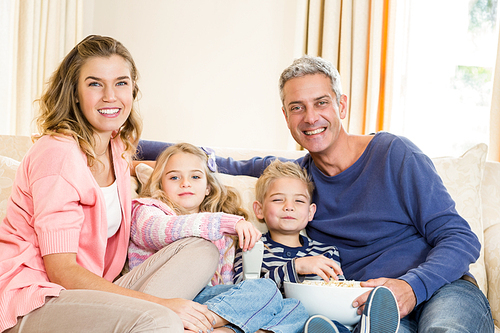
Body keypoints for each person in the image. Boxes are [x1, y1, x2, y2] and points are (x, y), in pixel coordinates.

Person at [136, 55, 494, 332]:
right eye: (297, 107)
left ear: (342, 105)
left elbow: (460, 238)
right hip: (364, 309)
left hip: (439, 288)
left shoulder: (394, 154)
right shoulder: (296, 180)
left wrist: (410, 287)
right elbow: (214, 159)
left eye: (321, 103)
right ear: (286, 116)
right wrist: (120, 140)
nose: (310, 118)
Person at [0, 35, 221, 333]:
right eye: (94, 84)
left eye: (121, 83)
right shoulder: (57, 154)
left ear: (133, 89)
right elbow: (61, 271)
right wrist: (162, 304)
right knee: (160, 319)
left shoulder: (115, 146)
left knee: (201, 250)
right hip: (36, 299)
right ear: (74, 93)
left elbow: (144, 165)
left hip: (90, 290)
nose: (110, 96)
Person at [130, 143, 311, 333]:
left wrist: (243, 305)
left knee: (287, 302)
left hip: (205, 303)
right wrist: (225, 223)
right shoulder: (147, 210)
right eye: (174, 177)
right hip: (164, 299)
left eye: (195, 176)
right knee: (264, 293)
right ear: (160, 184)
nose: (185, 183)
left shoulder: (220, 231)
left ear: (208, 187)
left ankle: (221, 330)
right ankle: (210, 326)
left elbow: (225, 283)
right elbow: (160, 231)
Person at [232, 159, 400, 333]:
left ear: (311, 211)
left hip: (324, 320)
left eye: (298, 201)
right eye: (278, 199)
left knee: (334, 324)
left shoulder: (326, 253)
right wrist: (296, 267)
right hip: (276, 322)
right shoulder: (251, 246)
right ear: (259, 210)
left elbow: (337, 291)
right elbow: (240, 294)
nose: (289, 207)